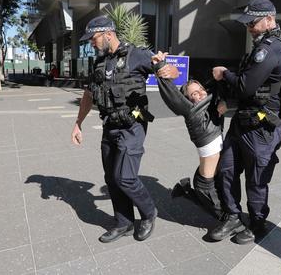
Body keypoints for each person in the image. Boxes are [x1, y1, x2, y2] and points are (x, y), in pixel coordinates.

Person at [71, 15, 178, 243]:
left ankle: (149, 213)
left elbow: (168, 70)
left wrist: (170, 71)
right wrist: (78, 123)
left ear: (108, 34)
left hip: (132, 126)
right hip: (109, 126)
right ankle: (124, 222)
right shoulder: (100, 62)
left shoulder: (136, 54)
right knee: (111, 178)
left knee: (125, 177)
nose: (92, 43)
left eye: (94, 39)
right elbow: (89, 96)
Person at [210, 0, 281, 244]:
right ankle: (233, 216)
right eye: (247, 23)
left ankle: (257, 223)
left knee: (256, 180)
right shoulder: (262, 44)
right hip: (243, 120)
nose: (249, 28)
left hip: (261, 126)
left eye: (252, 23)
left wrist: (224, 74)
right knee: (226, 170)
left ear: (269, 19)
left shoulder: (272, 47)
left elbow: (245, 86)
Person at [151, 51, 227, 220]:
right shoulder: (191, 110)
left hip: (211, 173)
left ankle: (185, 191)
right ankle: (228, 220)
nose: (200, 94)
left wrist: (223, 102)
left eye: (201, 90)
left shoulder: (212, 102)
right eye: (194, 94)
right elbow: (172, 95)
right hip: (205, 181)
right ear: (188, 99)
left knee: (221, 197)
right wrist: (160, 66)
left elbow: (219, 88)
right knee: (217, 207)